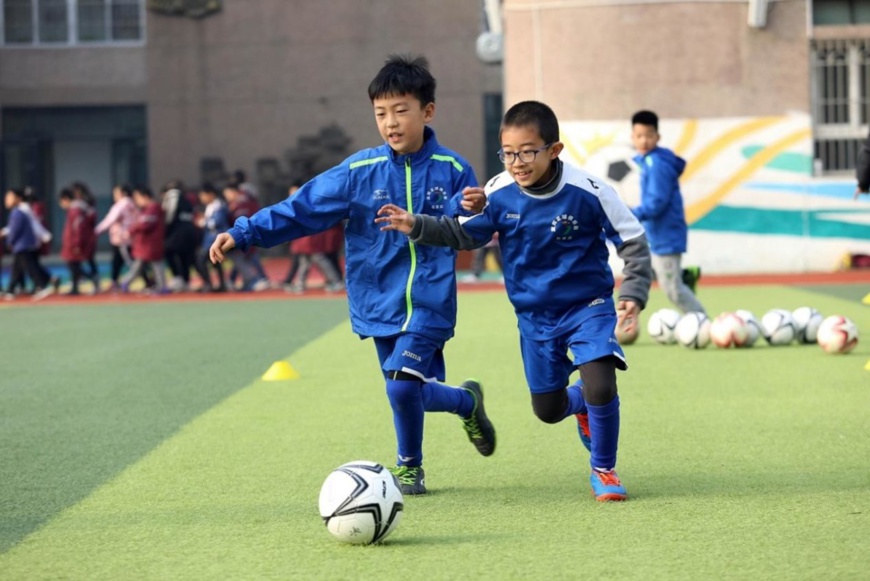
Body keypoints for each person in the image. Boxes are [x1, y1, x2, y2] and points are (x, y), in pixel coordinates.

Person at [210, 54, 496, 495]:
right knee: (408, 390)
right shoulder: (359, 172)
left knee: (402, 388)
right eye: (381, 113)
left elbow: (474, 235)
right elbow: (301, 209)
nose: (391, 122)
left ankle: (409, 467)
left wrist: (469, 214)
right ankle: (465, 401)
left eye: (401, 110)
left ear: (428, 111)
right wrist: (243, 232)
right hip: (376, 300)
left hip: (429, 301)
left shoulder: (454, 170)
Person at [376, 100, 652, 502]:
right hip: (534, 318)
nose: (517, 163)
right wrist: (416, 224)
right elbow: (462, 234)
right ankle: (579, 405)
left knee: (600, 379)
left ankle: (604, 470)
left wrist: (632, 293)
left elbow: (633, 241)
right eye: (508, 154)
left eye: (527, 152)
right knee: (547, 409)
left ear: (554, 150)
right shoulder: (497, 193)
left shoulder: (590, 192)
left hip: (587, 306)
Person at [628, 110, 705, 314]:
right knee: (648, 271)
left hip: (666, 234)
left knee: (673, 290)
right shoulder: (649, 161)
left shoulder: (657, 164)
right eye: (639, 136)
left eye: (649, 135)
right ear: (632, 137)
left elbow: (656, 204)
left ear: (657, 137)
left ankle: (702, 321)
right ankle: (685, 276)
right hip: (658, 233)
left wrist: (630, 214)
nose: (644, 140)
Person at [282, 183, 344, 293]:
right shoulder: (298, 203)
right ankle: (301, 284)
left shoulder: (304, 202)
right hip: (303, 237)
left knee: (318, 258)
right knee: (305, 261)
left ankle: (336, 280)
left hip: (309, 237)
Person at [1, 189, 54, 301]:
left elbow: (15, 230)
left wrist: (9, 242)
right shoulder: (21, 211)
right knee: (18, 268)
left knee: (30, 267)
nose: (6, 200)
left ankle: (43, 286)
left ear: (18, 198)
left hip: (23, 245)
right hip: (24, 245)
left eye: (9, 197)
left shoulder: (19, 212)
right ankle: (11, 290)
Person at [120, 186, 167, 294]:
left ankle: (161, 286)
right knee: (145, 265)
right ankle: (161, 286)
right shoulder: (146, 209)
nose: (136, 201)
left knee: (152, 265)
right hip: (146, 244)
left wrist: (131, 230)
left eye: (138, 198)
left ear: (145, 197)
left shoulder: (153, 208)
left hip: (150, 244)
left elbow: (144, 224)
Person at [95, 183, 138, 291]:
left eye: (116, 192)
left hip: (122, 238)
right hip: (129, 237)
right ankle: (114, 281)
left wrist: (97, 231)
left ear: (122, 193)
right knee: (117, 260)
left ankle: (147, 280)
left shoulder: (121, 204)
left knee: (132, 262)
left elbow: (110, 220)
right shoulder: (134, 203)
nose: (114, 195)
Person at [193, 183, 228, 292]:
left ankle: (211, 284)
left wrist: (203, 222)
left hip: (215, 238)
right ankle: (219, 284)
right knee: (215, 262)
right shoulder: (210, 206)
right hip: (208, 239)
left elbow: (217, 221)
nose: (202, 198)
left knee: (201, 260)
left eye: (203, 195)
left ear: (210, 194)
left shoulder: (219, 205)